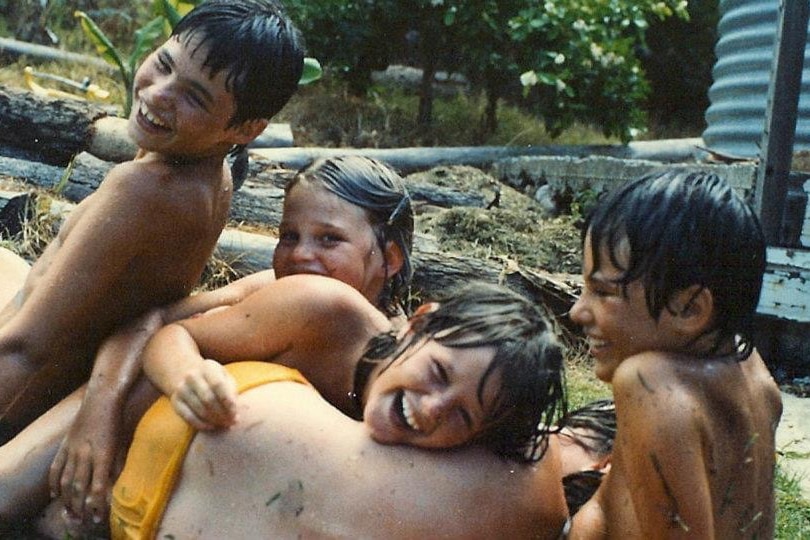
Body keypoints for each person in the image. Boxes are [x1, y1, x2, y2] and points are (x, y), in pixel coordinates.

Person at [0, 155, 417, 530]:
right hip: (115, 420)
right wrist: (100, 409)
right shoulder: (274, 287)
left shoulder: (405, 360)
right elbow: (150, 322)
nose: (300, 255)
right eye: (289, 236)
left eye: (329, 239)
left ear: (390, 258)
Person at [0, 0, 304, 437]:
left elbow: (27, 347)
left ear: (244, 130)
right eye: (164, 64)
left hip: (14, 401)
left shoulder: (142, 190)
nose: (159, 93)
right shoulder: (213, 179)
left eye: (194, 97)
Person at [112, 275, 568, 537]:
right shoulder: (326, 318)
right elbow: (175, 335)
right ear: (417, 324)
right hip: (132, 411)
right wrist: (184, 376)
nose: (432, 409)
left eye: (461, 416)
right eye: (438, 373)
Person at [567, 170, 782, 538]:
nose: (577, 312)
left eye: (602, 292)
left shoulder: (649, 383)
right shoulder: (752, 371)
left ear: (690, 309)